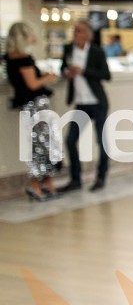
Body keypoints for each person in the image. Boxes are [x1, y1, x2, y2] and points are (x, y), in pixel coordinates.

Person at [4, 22, 61, 201]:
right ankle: (36, 184)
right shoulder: (22, 59)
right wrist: (48, 77)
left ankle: (44, 182)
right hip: (35, 106)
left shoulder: (9, 58)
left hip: (29, 107)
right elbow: (32, 84)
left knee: (42, 145)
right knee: (41, 146)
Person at [60, 19, 112, 193]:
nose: (76, 34)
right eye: (74, 31)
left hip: (97, 102)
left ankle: (101, 177)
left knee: (101, 141)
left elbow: (106, 75)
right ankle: (76, 179)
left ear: (87, 35)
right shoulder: (68, 50)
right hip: (80, 103)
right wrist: (67, 73)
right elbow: (63, 68)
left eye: (79, 31)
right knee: (70, 140)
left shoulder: (96, 52)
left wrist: (84, 71)